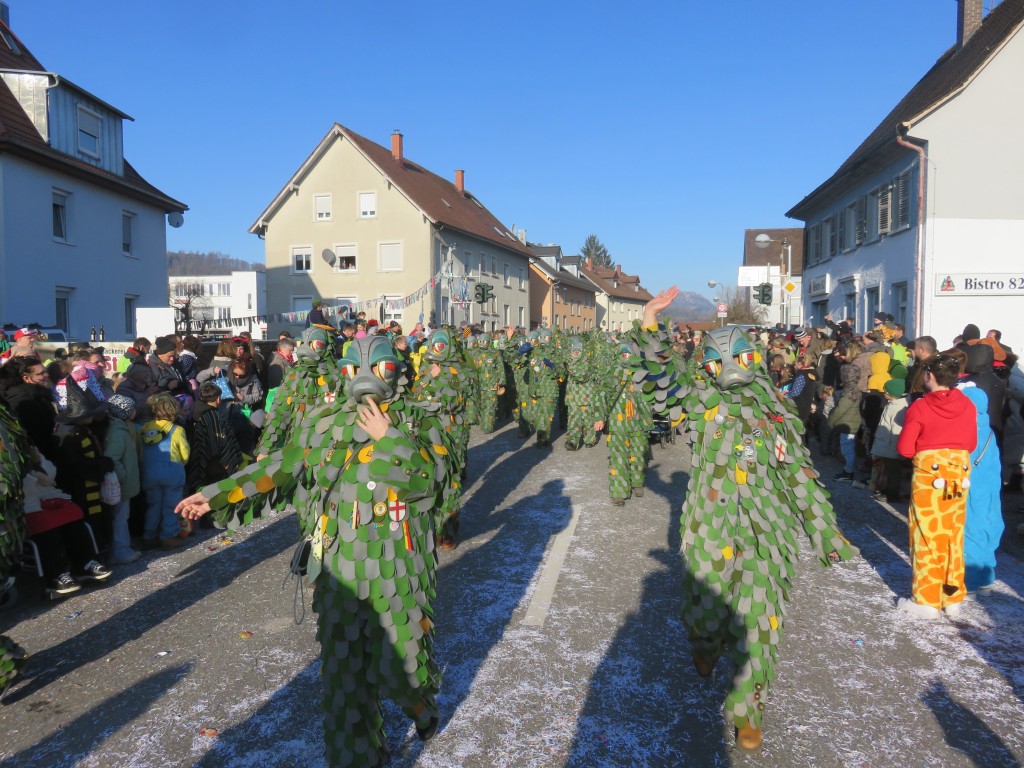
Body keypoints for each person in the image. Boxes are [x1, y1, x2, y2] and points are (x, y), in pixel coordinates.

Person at [176, 336, 448, 767]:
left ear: (395, 370)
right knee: (345, 677)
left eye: (378, 367)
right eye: (355, 369)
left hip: (397, 566)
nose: (365, 378)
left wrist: (389, 438)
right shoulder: (324, 422)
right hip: (339, 564)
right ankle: (358, 758)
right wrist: (216, 495)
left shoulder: (420, 420)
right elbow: (279, 468)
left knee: (403, 667)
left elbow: (431, 486)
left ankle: (421, 706)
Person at [629, 287, 854, 751]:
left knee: (761, 621)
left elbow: (799, 474)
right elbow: (661, 380)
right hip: (710, 525)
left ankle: (748, 709)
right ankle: (704, 642)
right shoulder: (698, 402)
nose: (729, 368)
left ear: (756, 360)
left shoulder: (777, 414)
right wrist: (650, 319)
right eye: (717, 362)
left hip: (767, 533)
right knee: (706, 610)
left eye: (739, 358)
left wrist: (825, 531)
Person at [896, 353, 977, 619]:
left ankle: (927, 599)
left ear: (929, 375)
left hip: (930, 475)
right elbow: (971, 443)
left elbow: (905, 448)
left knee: (927, 533)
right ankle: (952, 595)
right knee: (953, 533)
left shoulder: (920, 407)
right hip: (960, 471)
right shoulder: (967, 404)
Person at [141, 393, 190, 549]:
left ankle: (149, 536)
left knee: (153, 505)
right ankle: (168, 535)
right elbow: (185, 453)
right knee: (171, 505)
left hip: (149, 472)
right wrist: (181, 464)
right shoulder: (177, 430)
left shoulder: (144, 429)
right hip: (172, 471)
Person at [103, 394, 143, 564]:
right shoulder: (118, 432)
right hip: (120, 484)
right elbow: (112, 458)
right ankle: (119, 550)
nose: (135, 411)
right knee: (120, 517)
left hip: (123, 483)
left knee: (122, 516)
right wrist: (123, 476)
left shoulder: (122, 428)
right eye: (131, 409)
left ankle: (124, 546)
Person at [186, 383, 243, 497]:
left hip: (201, 459)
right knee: (219, 493)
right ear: (217, 399)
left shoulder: (195, 411)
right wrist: (226, 462)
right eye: (219, 397)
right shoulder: (213, 416)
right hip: (216, 463)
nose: (219, 400)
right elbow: (220, 442)